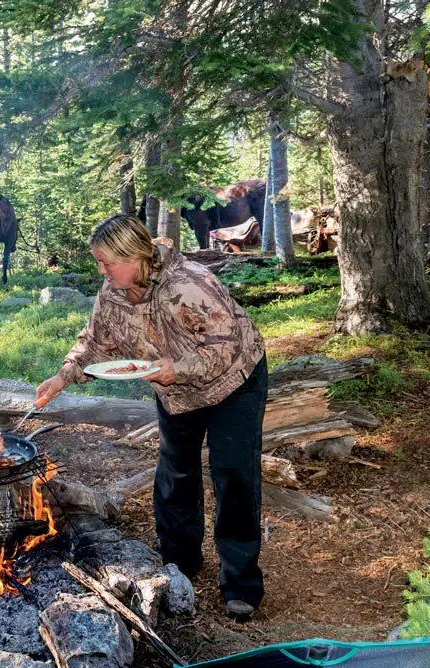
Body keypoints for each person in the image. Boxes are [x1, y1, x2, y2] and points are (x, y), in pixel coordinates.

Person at [37, 213, 268, 620]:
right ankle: (179, 563)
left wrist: (175, 368)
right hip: (175, 390)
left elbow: (226, 348)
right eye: (98, 261)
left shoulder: (189, 285)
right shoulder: (112, 290)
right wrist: (63, 376)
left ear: (135, 256)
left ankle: (241, 583)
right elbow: (95, 342)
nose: (101, 270)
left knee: (233, 474)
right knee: (175, 473)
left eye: (106, 261)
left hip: (234, 382)